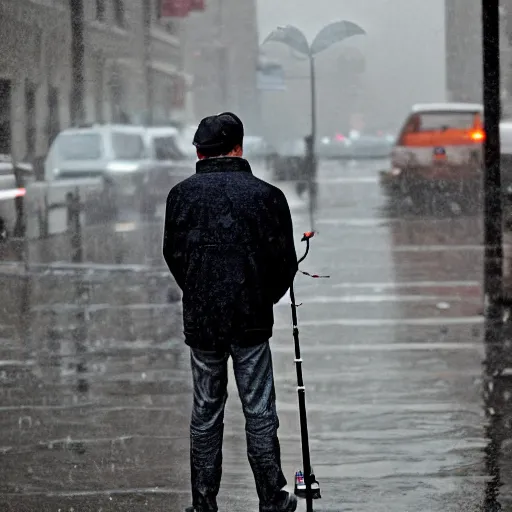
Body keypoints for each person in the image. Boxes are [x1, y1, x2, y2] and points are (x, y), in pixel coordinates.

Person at [163, 112, 299, 512]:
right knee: (259, 408)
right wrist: (260, 296)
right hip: (251, 319)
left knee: (205, 410)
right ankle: (271, 498)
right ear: (238, 147)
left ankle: (203, 502)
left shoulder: (181, 196)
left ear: (200, 152)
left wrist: (202, 291)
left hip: (204, 321)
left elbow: (174, 254)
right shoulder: (266, 196)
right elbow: (284, 262)